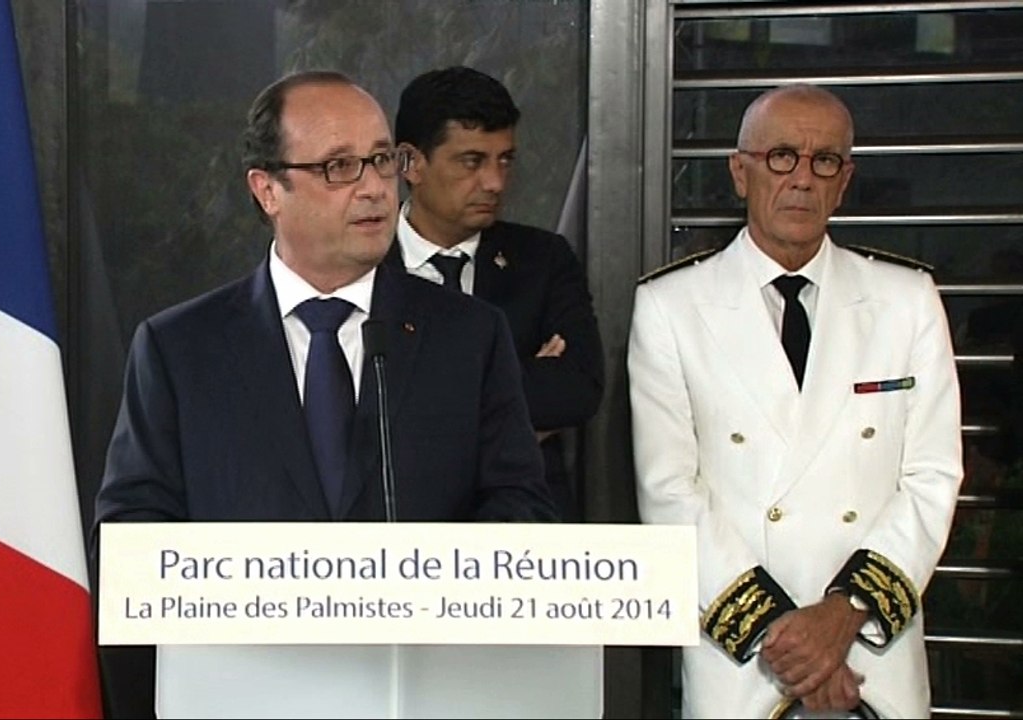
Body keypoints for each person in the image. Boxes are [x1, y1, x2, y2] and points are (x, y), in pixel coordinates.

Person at [627, 83, 963, 718]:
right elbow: (669, 491)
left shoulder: (906, 300)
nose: (802, 179)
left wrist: (840, 621)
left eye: (825, 161)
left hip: (871, 654)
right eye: (782, 156)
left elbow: (932, 478)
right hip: (749, 659)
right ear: (740, 172)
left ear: (845, 180)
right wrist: (792, 646)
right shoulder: (670, 308)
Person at [95, 69, 556, 530]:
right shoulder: (179, 349)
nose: (375, 188)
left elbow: (520, 511)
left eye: (381, 160)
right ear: (268, 190)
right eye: (339, 167)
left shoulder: (469, 336)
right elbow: (130, 536)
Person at [386, 65, 604, 522]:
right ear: (410, 163)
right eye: (472, 161)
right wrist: (509, 407)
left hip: (524, 534)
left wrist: (422, 405)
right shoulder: (364, 266)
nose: (495, 182)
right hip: (400, 540)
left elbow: (577, 388)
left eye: (505, 160)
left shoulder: (543, 260)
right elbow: (354, 405)